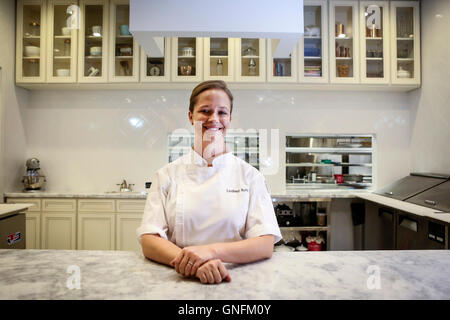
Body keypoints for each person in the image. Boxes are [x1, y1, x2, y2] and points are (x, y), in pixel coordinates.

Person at [136, 80, 281, 284]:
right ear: (191, 116)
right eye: (205, 110)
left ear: (230, 119)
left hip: (236, 280)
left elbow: (265, 243)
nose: (214, 118)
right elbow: (149, 240)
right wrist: (195, 265)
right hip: (179, 279)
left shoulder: (250, 176)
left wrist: (209, 252)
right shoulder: (166, 175)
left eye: (222, 112)